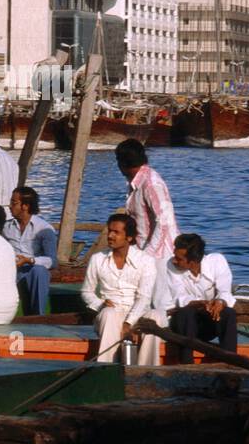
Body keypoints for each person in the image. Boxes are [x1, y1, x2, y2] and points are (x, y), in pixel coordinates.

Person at [79, 212, 158, 366]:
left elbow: (144, 297)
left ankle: (145, 371)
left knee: (156, 316)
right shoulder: (98, 259)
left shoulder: (146, 261)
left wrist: (128, 324)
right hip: (110, 313)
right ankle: (106, 369)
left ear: (129, 237)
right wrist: (100, 304)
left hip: (138, 313)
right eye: (110, 231)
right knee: (109, 314)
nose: (110, 236)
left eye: (116, 232)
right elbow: (86, 291)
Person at [115, 137, 178, 309]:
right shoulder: (136, 182)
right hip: (143, 250)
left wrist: (148, 255)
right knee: (142, 299)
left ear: (122, 163)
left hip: (160, 254)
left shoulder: (151, 183)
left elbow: (164, 222)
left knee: (159, 302)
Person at [159, 231, 239, 366]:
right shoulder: (171, 266)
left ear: (193, 262)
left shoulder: (217, 261)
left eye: (179, 259)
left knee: (228, 313)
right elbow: (180, 297)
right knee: (187, 312)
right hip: (183, 324)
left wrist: (220, 302)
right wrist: (200, 304)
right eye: (175, 256)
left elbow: (225, 291)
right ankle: (186, 364)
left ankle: (230, 364)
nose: (174, 260)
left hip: (207, 323)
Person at [4, 186, 58, 315]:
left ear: (25, 206)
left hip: (31, 272)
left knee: (39, 270)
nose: (10, 206)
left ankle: (38, 317)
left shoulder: (44, 229)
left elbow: (52, 261)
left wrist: (30, 260)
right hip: (11, 272)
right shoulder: (6, 227)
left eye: (14, 202)